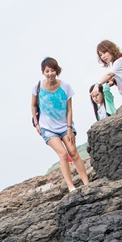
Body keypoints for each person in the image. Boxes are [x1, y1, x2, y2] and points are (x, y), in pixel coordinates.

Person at [31, 57, 90, 193]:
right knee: (63, 154)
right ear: (43, 72)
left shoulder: (65, 87)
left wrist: (69, 128)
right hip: (47, 128)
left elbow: (69, 109)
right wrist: (36, 123)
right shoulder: (37, 87)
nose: (50, 73)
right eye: (47, 71)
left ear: (57, 70)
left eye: (52, 70)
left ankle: (87, 183)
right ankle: (71, 187)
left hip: (65, 126)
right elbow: (33, 105)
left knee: (74, 152)